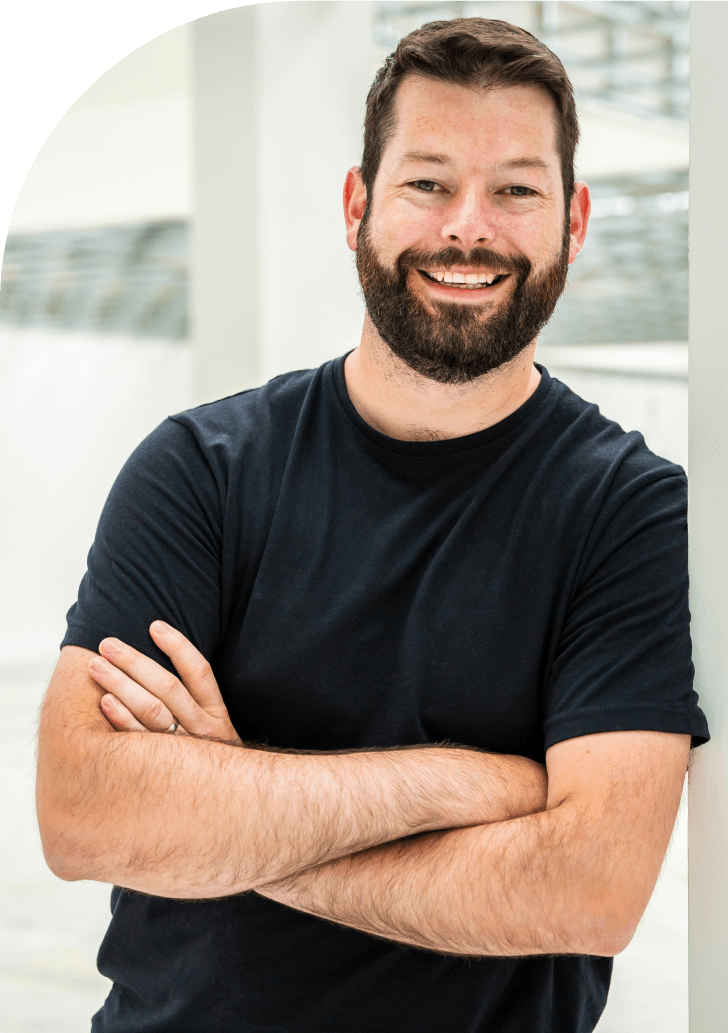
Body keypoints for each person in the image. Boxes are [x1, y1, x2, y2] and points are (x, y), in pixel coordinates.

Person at [36, 17, 708, 1033]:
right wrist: (456, 783)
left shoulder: (629, 512)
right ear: (358, 204)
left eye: (515, 189)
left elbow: (586, 889)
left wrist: (232, 815)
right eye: (426, 181)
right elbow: (85, 815)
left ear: (572, 220)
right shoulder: (199, 473)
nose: (466, 227)